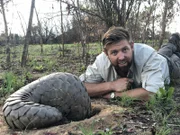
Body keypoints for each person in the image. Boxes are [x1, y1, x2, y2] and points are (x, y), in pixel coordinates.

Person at [79, 26, 180, 100]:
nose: (121, 57)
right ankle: (172, 43)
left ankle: (173, 44)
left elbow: (153, 93)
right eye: (114, 52)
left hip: (168, 65)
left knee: (175, 58)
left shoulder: (147, 55)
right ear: (106, 53)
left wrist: (114, 95)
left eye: (125, 50)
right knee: (163, 52)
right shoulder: (101, 61)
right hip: (157, 57)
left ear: (132, 46)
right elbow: (80, 87)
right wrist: (111, 85)